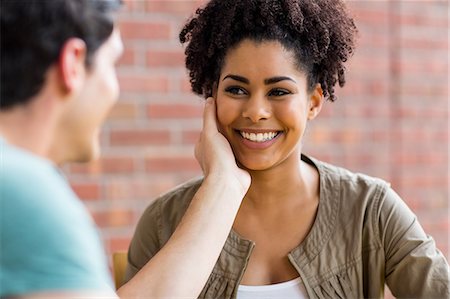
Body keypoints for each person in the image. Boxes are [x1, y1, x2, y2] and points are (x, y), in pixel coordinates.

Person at [125, 0, 450, 298]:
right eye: (236, 89)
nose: (256, 111)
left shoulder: (370, 210)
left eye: (278, 91)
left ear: (313, 102)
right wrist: (222, 186)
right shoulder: (163, 221)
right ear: (212, 99)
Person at [0, 0, 250, 298]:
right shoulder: (25, 193)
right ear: (73, 63)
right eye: (112, 63)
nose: (114, 88)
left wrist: (226, 185)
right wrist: (224, 185)